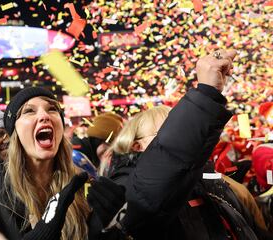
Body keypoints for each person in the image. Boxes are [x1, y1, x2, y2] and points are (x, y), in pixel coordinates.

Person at [86, 49, 269, 239]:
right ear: (136, 145)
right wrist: (206, 93)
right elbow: (168, 158)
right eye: (162, 135)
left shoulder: (218, 186)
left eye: (173, 130)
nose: (183, 138)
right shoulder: (126, 190)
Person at [0, 87, 90, 240]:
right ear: (15, 133)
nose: (44, 116)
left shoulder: (82, 186)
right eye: (29, 111)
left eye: (52, 109)